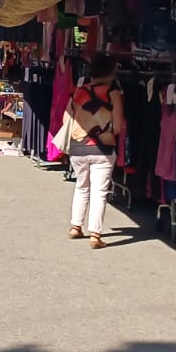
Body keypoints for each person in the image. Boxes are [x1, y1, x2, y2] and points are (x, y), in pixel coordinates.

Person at [65, 54, 124, 250]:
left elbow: (67, 118)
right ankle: (95, 235)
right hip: (102, 148)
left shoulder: (79, 90)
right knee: (99, 191)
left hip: (78, 147)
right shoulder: (112, 92)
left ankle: (75, 226)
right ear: (109, 72)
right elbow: (117, 125)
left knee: (81, 187)